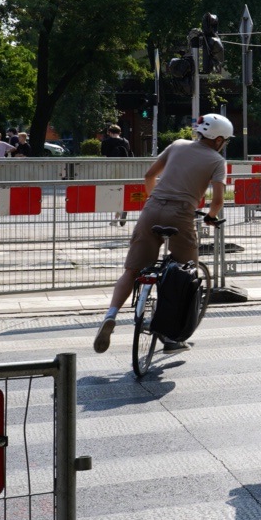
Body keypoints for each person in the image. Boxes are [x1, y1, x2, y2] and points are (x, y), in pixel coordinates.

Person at [94, 114, 233, 354]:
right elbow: (218, 200)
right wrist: (210, 216)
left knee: (132, 270)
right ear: (218, 139)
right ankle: (170, 338)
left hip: (152, 209)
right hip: (181, 214)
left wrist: (156, 201)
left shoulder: (177, 145)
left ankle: (111, 315)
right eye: (225, 140)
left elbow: (149, 176)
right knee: (185, 274)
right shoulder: (217, 161)